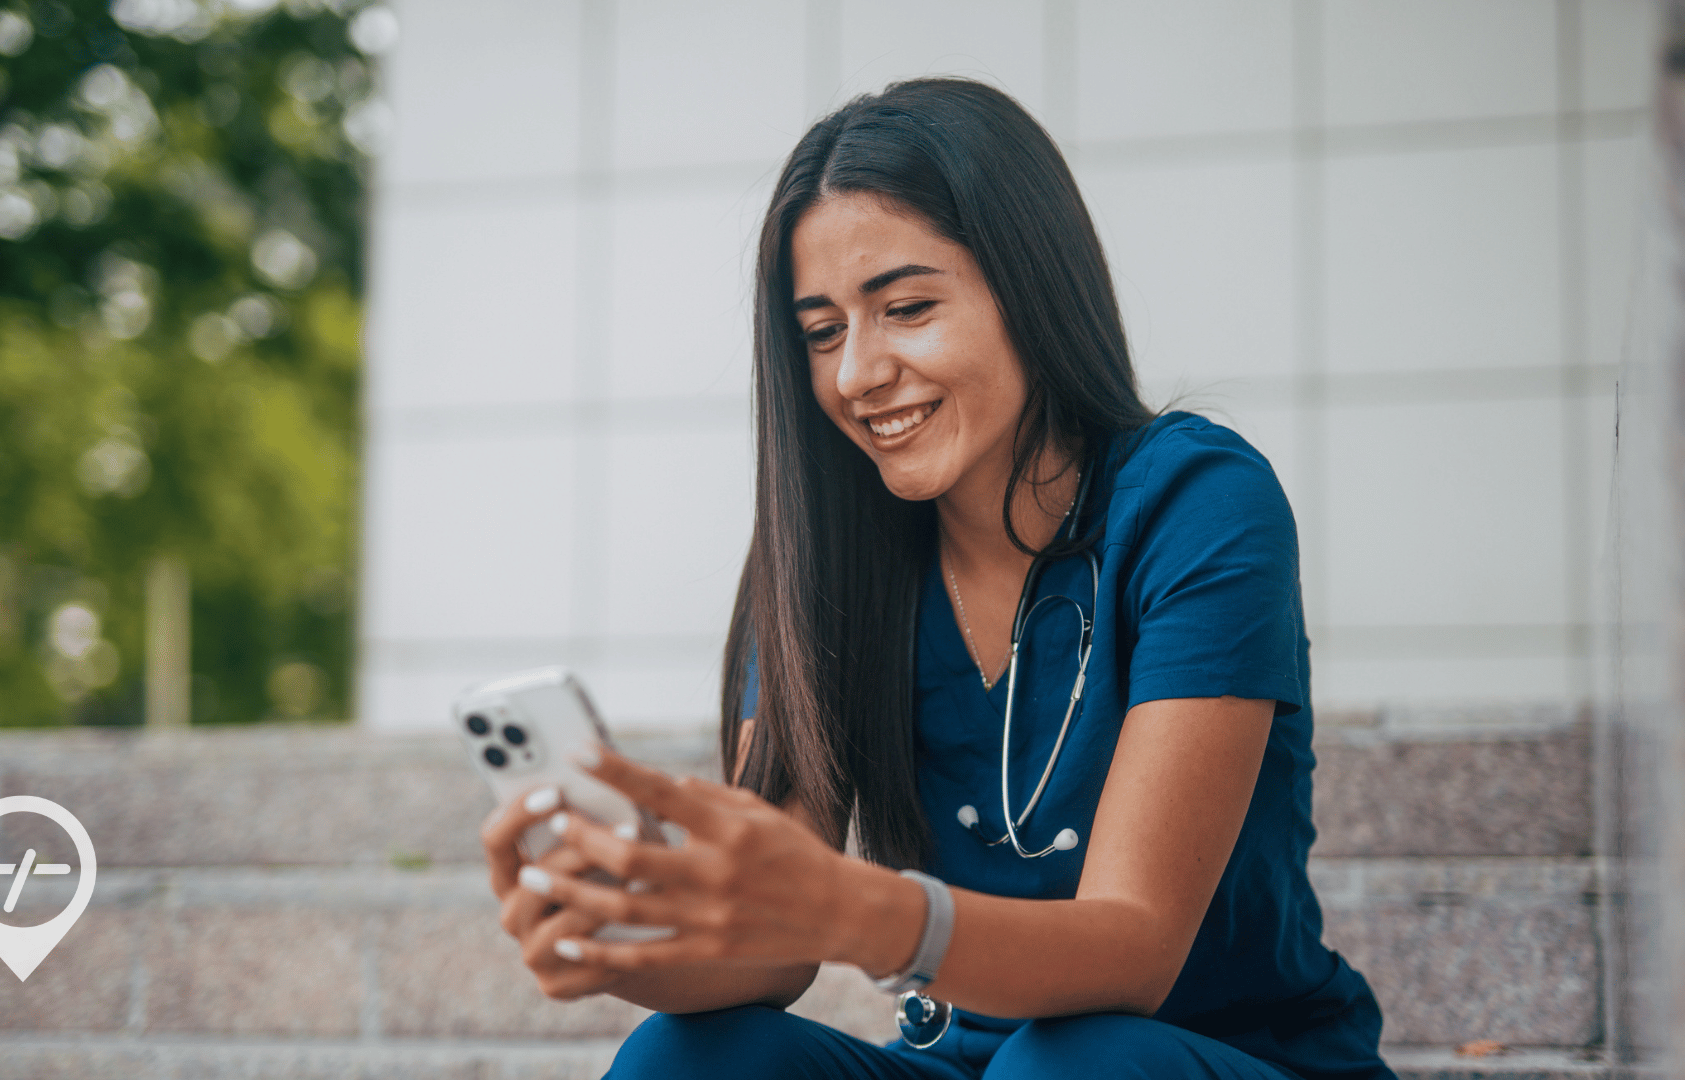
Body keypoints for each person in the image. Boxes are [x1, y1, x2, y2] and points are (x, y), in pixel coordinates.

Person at [478, 77, 1397, 1080]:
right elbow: (769, 953)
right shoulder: (828, 559)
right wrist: (625, 938)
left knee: (1071, 1064)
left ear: (1030, 286)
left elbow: (1132, 950)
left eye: (906, 308)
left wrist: (856, 909)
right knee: (685, 1056)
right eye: (822, 332)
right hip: (972, 1068)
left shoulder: (1198, 502)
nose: (855, 374)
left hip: (1199, 1060)